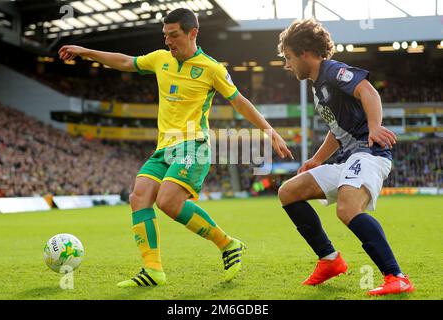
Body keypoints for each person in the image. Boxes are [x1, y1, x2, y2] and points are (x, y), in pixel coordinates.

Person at [59, 8, 292, 287]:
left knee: (168, 201)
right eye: (165, 35)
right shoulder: (160, 59)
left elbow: (239, 101)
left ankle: (228, 244)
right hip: (164, 149)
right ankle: (153, 270)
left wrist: (270, 132)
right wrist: (85, 51)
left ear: (192, 33)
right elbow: (124, 61)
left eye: (174, 35)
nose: (168, 41)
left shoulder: (211, 68)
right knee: (139, 197)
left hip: (194, 144)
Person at [276, 19, 414, 296]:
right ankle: (329, 261)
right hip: (350, 157)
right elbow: (336, 131)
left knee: (347, 209)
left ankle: (396, 276)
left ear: (304, 52)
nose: (287, 65)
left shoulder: (333, 70)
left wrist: (375, 127)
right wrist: (317, 160)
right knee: (288, 192)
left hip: (370, 152)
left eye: (289, 57)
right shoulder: (319, 86)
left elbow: (368, 91)